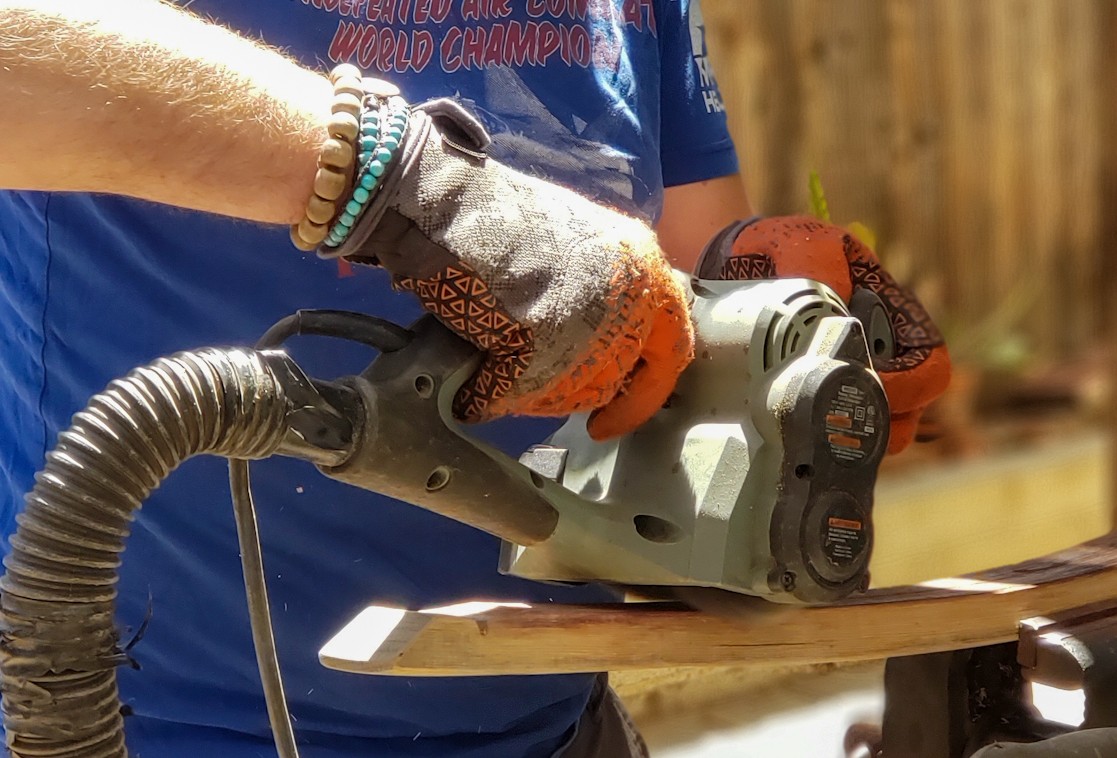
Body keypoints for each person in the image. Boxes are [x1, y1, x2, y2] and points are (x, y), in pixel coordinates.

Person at [0, 1, 751, 756]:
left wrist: (772, 308)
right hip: (154, 729)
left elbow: (691, 277)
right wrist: (399, 178)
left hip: (559, 725)